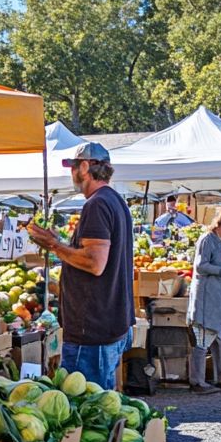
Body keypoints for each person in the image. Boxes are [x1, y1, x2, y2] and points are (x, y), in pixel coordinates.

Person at [27, 142, 133, 390]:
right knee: (103, 404)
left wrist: (54, 245)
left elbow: (95, 263)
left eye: (73, 167)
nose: (71, 173)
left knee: (86, 405)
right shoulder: (114, 201)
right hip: (108, 324)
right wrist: (61, 243)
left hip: (92, 330)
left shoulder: (96, 204)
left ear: (85, 166)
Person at [187, 209, 221, 393]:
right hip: (206, 299)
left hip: (220, 297)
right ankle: (197, 381)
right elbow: (200, 266)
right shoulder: (207, 239)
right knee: (203, 337)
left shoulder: (219, 242)